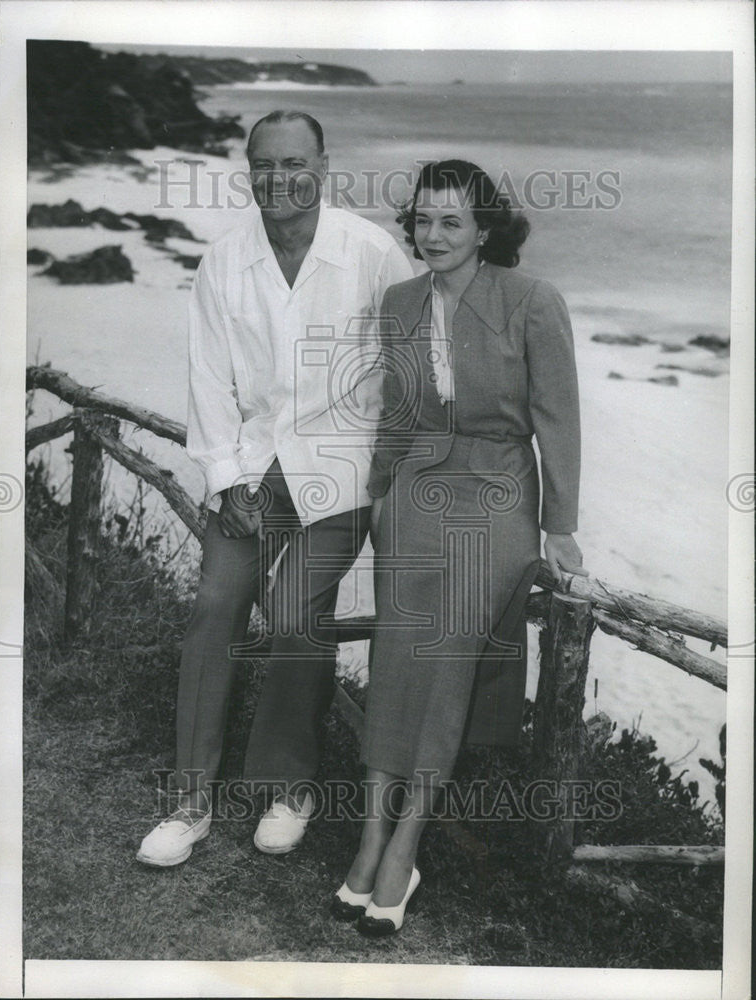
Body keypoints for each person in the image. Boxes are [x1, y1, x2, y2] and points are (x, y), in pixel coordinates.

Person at [137, 110, 412, 866]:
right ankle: (191, 802)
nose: (279, 179)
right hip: (251, 470)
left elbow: (416, 355)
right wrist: (226, 478)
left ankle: (289, 788)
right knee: (212, 611)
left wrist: (400, 464)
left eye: (296, 163)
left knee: (295, 617)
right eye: (264, 165)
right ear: (248, 169)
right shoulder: (224, 262)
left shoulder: (371, 253)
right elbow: (209, 378)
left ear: (323, 168)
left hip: (340, 471)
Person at [332, 160, 587, 935]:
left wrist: (561, 526)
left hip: (499, 496)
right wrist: (376, 495)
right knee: (398, 652)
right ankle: (373, 831)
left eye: (452, 222)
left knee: (444, 659)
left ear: (485, 229)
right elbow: (398, 420)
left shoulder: (533, 300)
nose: (433, 235)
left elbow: (558, 421)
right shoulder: (398, 303)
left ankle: (406, 841)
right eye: (423, 220)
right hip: (412, 494)